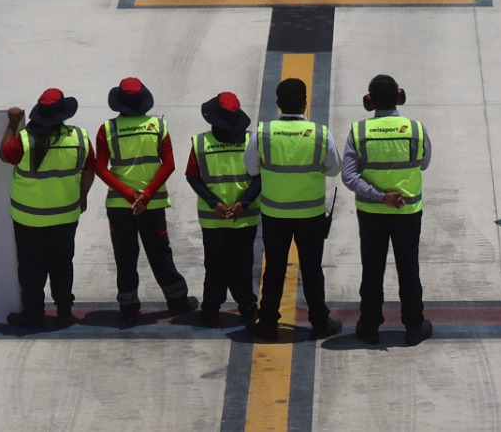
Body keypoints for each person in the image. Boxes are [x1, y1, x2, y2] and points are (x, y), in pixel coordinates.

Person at [248, 76, 339, 340]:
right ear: (305, 102)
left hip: (275, 214)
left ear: (278, 104)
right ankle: (319, 322)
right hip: (310, 215)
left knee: (274, 269)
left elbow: (251, 168)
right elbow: (334, 168)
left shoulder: (263, 132)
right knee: (311, 270)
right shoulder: (320, 134)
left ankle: (267, 323)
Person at [94, 77, 191, 324]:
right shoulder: (158, 126)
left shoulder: (108, 129)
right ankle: (177, 300)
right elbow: (168, 165)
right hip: (153, 204)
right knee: (160, 253)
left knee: (125, 256)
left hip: (120, 205)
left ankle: (128, 306)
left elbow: (101, 168)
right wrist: (145, 195)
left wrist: (129, 195)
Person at [344, 74, 430, 346]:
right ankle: (414, 327)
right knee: (408, 268)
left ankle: (369, 327)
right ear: (399, 96)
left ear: (369, 101)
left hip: (372, 214)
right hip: (407, 212)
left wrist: (381, 197)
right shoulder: (415, 129)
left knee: (372, 270)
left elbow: (349, 176)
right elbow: (424, 163)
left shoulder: (359, 132)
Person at [1, 88, 93, 330]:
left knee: (31, 267)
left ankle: (33, 314)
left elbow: (4, 153)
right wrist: (82, 195)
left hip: (28, 218)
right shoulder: (80, 138)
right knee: (62, 264)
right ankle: (64, 312)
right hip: (65, 215)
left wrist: (12, 124)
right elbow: (89, 169)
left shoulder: (23, 140)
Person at [184, 92, 258, 329]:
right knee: (242, 265)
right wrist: (243, 203)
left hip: (213, 219)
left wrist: (213, 203)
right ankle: (247, 309)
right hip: (243, 218)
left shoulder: (201, 143)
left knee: (214, 266)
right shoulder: (251, 142)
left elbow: (192, 177)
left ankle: (211, 311)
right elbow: (261, 177)